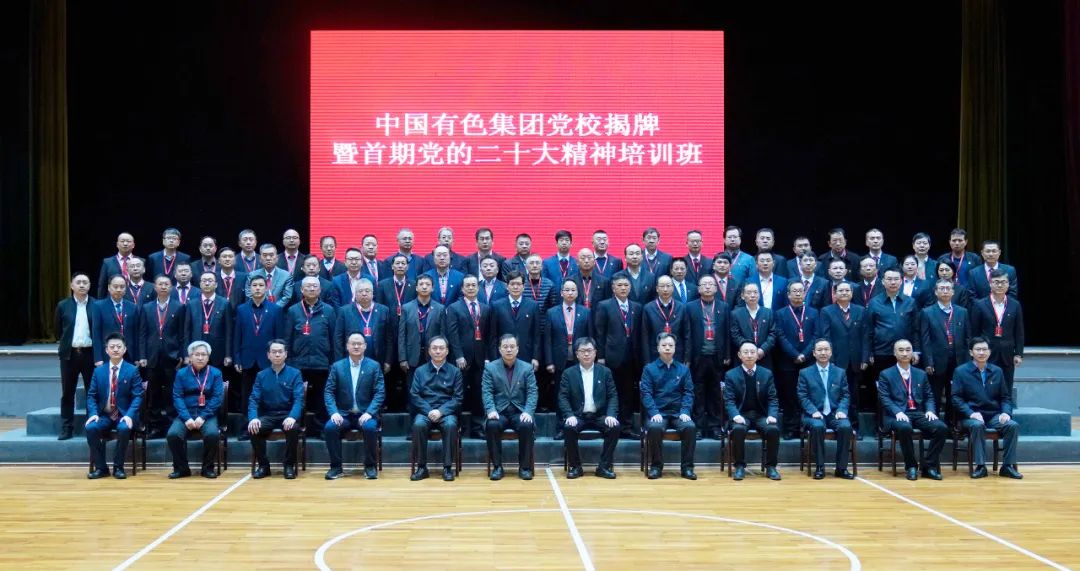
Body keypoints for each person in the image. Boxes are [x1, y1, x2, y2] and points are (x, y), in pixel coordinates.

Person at [951, 337, 1023, 479]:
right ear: (971, 352)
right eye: (978, 349)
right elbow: (956, 398)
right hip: (970, 416)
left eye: (985, 349)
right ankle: (980, 466)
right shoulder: (961, 371)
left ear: (989, 352)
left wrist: (1006, 413)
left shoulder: (997, 371)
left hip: (993, 415)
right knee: (977, 425)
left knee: (1012, 425)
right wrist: (971, 413)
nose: (981, 352)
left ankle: (1007, 466)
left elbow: (1005, 397)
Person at [876, 339, 948, 481]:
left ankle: (928, 466)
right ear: (894, 353)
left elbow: (929, 396)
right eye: (901, 350)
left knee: (941, 428)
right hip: (895, 415)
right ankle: (911, 466)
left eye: (908, 350)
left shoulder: (920, 374)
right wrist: (897, 412)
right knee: (904, 427)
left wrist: (930, 410)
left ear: (912, 353)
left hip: (917, 412)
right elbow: (884, 398)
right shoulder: (886, 374)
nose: (905, 353)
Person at [323, 333, 385, 480]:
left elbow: (380, 392)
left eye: (359, 343)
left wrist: (370, 412)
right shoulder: (337, 366)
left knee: (370, 428)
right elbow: (328, 392)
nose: (356, 346)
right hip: (343, 414)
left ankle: (370, 466)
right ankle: (336, 467)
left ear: (365, 346)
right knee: (330, 427)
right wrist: (334, 412)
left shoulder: (374, 366)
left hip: (365, 413)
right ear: (347, 346)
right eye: (353, 343)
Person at [84, 333, 144, 479]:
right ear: (106, 350)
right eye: (112, 347)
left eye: (119, 346)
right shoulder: (99, 371)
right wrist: (93, 413)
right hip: (104, 414)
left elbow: (138, 396)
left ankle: (118, 467)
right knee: (91, 428)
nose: (115, 349)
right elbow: (91, 395)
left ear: (124, 349)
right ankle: (101, 468)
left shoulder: (132, 370)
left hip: (123, 415)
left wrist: (129, 415)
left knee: (124, 428)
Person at [559, 337, 620, 479]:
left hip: (599, 415)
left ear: (595, 353)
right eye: (582, 351)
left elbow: (612, 396)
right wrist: (569, 415)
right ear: (577, 354)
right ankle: (575, 466)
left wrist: (611, 415)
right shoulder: (568, 373)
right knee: (569, 427)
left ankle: (604, 466)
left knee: (614, 427)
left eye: (589, 350)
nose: (586, 354)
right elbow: (563, 397)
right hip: (578, 415)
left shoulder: (605, 372)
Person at [593, 272, 644, 439]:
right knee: (610, 393)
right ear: (613, 288)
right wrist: (600, 356)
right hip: (611, 357)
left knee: (628, 394)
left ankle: (626, 427)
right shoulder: (604, 305)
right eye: (619, 285)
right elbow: (600, 333)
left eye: (626, 285)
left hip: (631, 358)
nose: (623, 288)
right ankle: (609, 426)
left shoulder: (637, 307)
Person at [284, 276, 336, 438]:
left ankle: (321, 428)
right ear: (301, 290)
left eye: (315, 286)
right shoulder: (293, 310)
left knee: (322, 397)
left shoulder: (329, 310)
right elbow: (287, 338)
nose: (311, 289)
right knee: (298, 397)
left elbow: (334, 338)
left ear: (320, 290)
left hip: (322, 362)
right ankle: (297, 427)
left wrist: (333, 362)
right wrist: (289, 361)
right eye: (308, 286)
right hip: (298, 363)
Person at [481, 334, 538, 480]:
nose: (509, 350)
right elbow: (487, 392)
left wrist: (528, 411)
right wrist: (491, 410)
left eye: (512, 347)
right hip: (499, 411)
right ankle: (497, 467)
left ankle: (524, 467)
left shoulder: (527, 368)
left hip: (519, 411)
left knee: (526, 425)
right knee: (492, 425)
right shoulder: (490, 368)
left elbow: (532, 392)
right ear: (499, 349)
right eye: (505, 347)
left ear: (517, 349)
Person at [641, 333, 697, 480]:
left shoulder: (683, 369)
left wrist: (685, 411)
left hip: (678, 413)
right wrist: (654, 412)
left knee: (690, 427)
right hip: (658, 413)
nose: (667, 348)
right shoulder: (649, 369)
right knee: (654, 428)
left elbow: (689, 393)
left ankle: (687, 468)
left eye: (671, 345)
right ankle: (656, 466)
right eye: (664, 345)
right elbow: (646, 394)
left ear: (675, 348)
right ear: (658, 348)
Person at [796, 339, 854, 479]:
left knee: (846, 427)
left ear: (831, 352)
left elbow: (845, 395)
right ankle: (820, 466)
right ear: (814, 353)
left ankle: (841, 468)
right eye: (820, 350)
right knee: (817, 427)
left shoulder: (840, 372)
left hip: (834, 413)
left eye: (826, 349)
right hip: (814, 413)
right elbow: (802, 396)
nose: (823, 352)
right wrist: (813, 411)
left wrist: (842, 410)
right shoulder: (805, 372)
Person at [723, 342, 781, 481]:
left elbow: (773, 398)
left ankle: (771, 467)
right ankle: (739, 466)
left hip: (761, 415)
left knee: (773, 429)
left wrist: (772, 415)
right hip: (741, 415)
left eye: (752, 352)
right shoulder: (731, 375)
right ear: (739, 355)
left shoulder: (766, 374)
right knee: (738, 429)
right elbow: (729, 400)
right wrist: (735, 415)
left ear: (757, 355)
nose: (749, 355)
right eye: (746, 352)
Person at [247, 339, 305, 480]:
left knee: (292, 428)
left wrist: (292, 417)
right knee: (254, 428)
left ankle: (289, 465)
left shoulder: (295, 373)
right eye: (274, 352)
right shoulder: (261, 375)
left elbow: (299, 399)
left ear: (286, 354)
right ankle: (264, 466)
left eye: (280, 352)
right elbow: (253, 399)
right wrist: (253, 418)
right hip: (269, 415)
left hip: (287, 414)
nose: (277, 355)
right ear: (268, 355)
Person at [137, 275, 186, 437]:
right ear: (155, 287)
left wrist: (182, 354)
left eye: (166, 284)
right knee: (154, 393)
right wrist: (142, 355)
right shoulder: (146, 307)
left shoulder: (179, 307)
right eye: (160, 284)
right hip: (151, 357)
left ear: (171, 287)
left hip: (172, 357)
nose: (163, 286)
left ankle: (173, 425)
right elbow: (142, 333)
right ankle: (154, 426)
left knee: (172, 392)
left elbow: (182, 334)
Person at [167, 340, 224, 479]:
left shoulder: (215, 373)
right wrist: (186, 418)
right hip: (186, 413)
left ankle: (207, 468)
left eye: (203, 354)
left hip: (207, 414)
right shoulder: (181, 373)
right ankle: (182, 469)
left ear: (208, 357)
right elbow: (177, 397)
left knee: (212, 434)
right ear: (190, 357)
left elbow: (217, 398)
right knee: (173, 435)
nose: (200, 357)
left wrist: (203, 417)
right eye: (197, 354)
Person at [409, 337, 463, 482]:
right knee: (418, 424)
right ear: (429, 351)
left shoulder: (455, 372)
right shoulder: (420, 371)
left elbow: (458, 398)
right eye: (434, 348)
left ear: (447, 351)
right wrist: (429, 410)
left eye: (441, 348)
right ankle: (422, 467)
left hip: (446, 412)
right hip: (425, 411)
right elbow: (414, 395)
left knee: (450, 425)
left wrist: (441, 411)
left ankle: (447, 468)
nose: (438, 351)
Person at [445, 275, 493, 438]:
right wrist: (458, 355)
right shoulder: (454, 308)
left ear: (478, 288)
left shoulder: (485, 308)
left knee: (479, 394)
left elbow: (489, 336)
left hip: (480, 359)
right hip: (461, 359)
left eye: (474, 285)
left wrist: (487, 357)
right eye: (468, 285)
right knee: (458, 394)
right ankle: (457, 426)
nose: (471, 288)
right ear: (462, 289)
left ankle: (477, 427)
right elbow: (452, 334)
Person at [542, 279, 592, 435]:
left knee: (578, 393)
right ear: (561, 292)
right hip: (559, 360)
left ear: (577, 293)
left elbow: (590, 337)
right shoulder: (552, 312)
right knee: (560, 394)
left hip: (580, 360)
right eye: (567, 290)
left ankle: (577, 425)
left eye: (573, 290)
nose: (570, 293)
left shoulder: (585, 312)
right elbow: (547, 339)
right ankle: (560, 427)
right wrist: (549, 361)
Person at [684, 275, 730, 440]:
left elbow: (727, 332)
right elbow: (687, 334)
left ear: (716, 288)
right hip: (698, 356)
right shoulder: (690, 307)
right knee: (697, 392)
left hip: (717, 356)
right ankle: (697, 427)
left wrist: (727, 354)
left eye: (711, 284)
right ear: (698, 289)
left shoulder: (724, 307)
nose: (708, 287)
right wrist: (687, 357)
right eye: (704, 284)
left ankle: (715, 426)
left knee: (715, 392)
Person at [818, 282, 869, 431]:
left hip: (855, 361)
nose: (844, 293)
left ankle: (854, 426)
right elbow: (826, 336)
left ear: (852, 293)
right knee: (836, 394)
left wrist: (865, 358)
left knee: (854, 394)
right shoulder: (827, 311)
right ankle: (837, 424)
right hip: (836, 360)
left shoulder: (860, 310)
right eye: (841, 290)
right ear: (835, 294)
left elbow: (866, 335)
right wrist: (830, 359)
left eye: (847, 290)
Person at [233, 275, 283, 421]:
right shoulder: (241, 309)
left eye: (261, 285)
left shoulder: (276, 309)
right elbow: (237, 336)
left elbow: (279, 337)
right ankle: (246, 425)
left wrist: (278, 358)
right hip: (247, 359)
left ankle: (264, 423)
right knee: (247, 394)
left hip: (268, 360)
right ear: (249, 288)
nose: (257, 288)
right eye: (254, 285)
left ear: (266, 288)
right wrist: (237, 358)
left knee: (267, 392)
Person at [919, 279, 970, 419]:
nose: (945, 291)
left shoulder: (962, 312)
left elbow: (967, 338)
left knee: (954, 394)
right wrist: (928, 361)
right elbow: (925, 339)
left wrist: (967, 361)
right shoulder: (927, 312)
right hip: (936, 362)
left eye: (948, 288)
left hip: (958, 361)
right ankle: (934, 424)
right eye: (942, 288)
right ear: (936, 292)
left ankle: (952, 423)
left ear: (953, 292)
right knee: (935, 394)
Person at [775, 281, 819, 439]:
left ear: (805, 293)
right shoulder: (780, 313)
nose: (798, 293)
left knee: (808, 395)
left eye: (801, 291)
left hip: (808, 361)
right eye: (794, 291)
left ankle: (807, 427)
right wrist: (795, 354)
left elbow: (816, 335)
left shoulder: (813, 312)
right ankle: (790, 428)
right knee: (789, 396)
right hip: (787, 361)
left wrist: (805, 354)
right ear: (788, 295)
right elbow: (780, 336)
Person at [970, 270, 1024, 398]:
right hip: (986, 353)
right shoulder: (980, 305)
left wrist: (1018, 353)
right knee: (987, 386)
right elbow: (974, 332)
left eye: (1003, 282)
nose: (1000, 285)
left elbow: (1019, 332)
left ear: (1008, 284)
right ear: (990, 284)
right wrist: (975, 352)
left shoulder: (1015, 305)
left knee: (1006, 386)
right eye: (996, 282)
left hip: (1007, 354)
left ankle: (1006, 409)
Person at [864, 269, 920, 389]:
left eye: (896, 279)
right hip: (881, 352)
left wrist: (915, 350)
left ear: (901, 281)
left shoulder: (910, 302)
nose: (893, 282)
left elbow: (915, 329)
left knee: (904, 386)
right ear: (883, 282)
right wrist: (869, 352)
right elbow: (868, 329)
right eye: (889, 279)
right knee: (883, 387)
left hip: (904, 352)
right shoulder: (874, 302)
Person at [56, 273, 96, 440]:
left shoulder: (96, 305)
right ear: (71, 285)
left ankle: (91, 426)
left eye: (85, 282)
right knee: (67, 392)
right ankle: (66, 428)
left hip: (90, 354)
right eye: (78, 282)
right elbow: (58, 330)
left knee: (92, 392)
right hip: (70, 355)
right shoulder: (63, 305)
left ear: (89, 285)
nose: (81, 285)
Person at [334, 278, 393, 374]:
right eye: (360, 291)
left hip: (378, 360)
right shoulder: (344, 311)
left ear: (373, 293)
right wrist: (340, 363)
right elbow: (338, 339)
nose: (364, 294)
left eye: (367, 291)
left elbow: (389, 338)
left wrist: (388, 361)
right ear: (355, 294)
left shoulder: (383, 310)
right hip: (351, 361)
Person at [398, 275, 446, 387]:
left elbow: (443, 334)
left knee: (433, 389)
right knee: (412, 389)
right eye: (421, 284)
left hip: (434, 356)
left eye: (428, 284)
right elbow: (402, 335)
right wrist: (402, 358)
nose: (424, 287)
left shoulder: (440, 308)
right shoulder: (407, 308)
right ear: (416, 288)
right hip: (412, 356)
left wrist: (443, 355)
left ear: (432, 288)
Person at [490, 271, 542, 373]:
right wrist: (494, 358)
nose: (515, 287)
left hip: (526, 355)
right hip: (503, 355)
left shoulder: (533, 305)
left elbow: (536, 335)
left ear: (523, 287)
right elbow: (493, 335)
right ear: (507, 286)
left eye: (518, 284)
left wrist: (535, 357)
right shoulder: (497, 306)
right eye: (512, 284)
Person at [185, 272, 234, 372]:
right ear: (200, 284)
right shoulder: (191, 304)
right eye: (204, 281)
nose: (207, 283)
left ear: (216, 284)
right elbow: (187, 331)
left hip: (218, 352)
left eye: (210, 281)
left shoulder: (225, 303)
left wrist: (228, 354)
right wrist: (187, 354)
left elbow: (228, 331)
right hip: (196, 351)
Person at [91, 274, 140, 366]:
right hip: (107, 354)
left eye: (122, 287)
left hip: (129, 354)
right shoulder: (99, 306)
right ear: (109, 287)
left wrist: (137, 357)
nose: (119, 289)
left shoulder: (132, 307)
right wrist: (98, 358)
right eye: (115, 286)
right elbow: (96, 334)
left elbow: (136, 333)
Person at [641, 276, 691, 364]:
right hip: (655, 355)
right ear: (657, 289)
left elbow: (687, 334)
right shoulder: (648, 308)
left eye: (668, 286)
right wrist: (647, 361)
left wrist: (687, 359)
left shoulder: (681, 307)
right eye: (662, 286)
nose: (665, 289)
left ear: (673, 288)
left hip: (677, 355)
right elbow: (645, 337)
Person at [729, 283, 779, 369]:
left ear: (759, 295)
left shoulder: (768, 313)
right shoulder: (736, 314)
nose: (752, 295)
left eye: (755, 292)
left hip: (764, 356)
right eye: (749, 293)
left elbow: (773, 334)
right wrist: (749, 350)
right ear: (742, 296)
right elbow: (735, 335)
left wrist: (762, 349)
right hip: (744, 357)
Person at [246, 244, 293, 309]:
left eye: (271, 255)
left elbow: (287, 296)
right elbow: (249, 294)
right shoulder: (252, 275)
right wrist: (261, 307)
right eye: (265, 255)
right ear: (260, 258)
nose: (268, 258)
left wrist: (273, 309)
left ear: (277, 258)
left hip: (278, 311)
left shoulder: (286, 275)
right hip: (258, 310)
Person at [97, 232, 136, 298]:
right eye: (122, 241)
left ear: (133, 245)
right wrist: (100, 302)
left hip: (135, 299)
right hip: (113, 299)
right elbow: (102, 285)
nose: (125, 244)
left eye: (128, 241)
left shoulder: (141, 261)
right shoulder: (107, 262)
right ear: (117, 244)